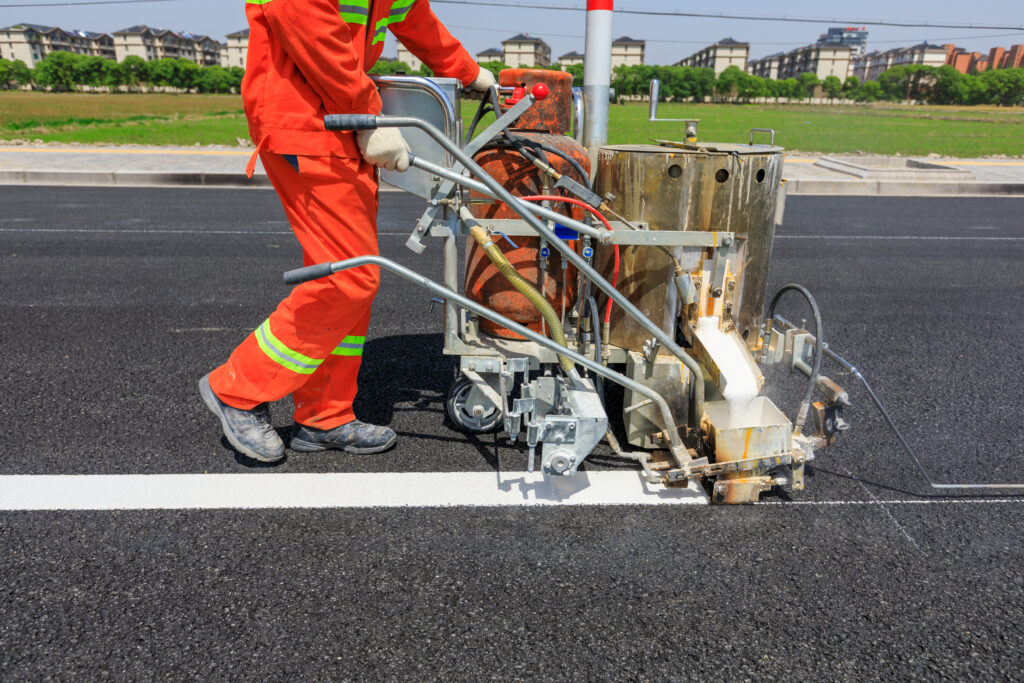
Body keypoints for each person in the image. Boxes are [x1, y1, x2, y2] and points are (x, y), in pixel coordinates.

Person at [198, 0, 495, 462]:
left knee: (348, 281)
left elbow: (415, 19)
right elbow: (305, 22)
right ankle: (237, 387)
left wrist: (470, 73)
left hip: (340, 122)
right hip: (310, 121)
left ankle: (324, 417)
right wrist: (363, 112)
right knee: (350, 278)